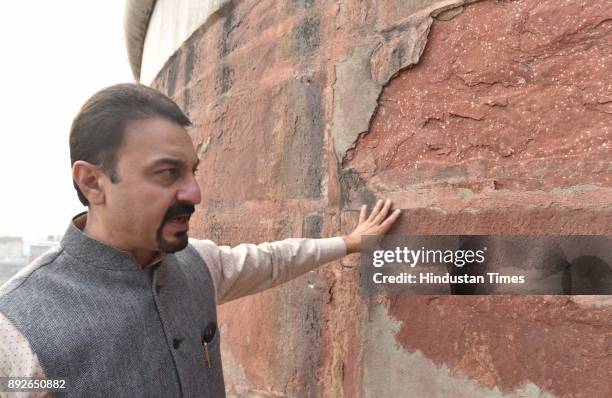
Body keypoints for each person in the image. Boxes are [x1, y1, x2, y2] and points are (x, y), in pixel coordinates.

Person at [0, 83, 400, 397]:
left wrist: (350, 243)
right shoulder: (17, 328)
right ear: (92, 182)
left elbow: (273, 261)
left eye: (192, 171)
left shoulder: (198, 266)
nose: (194, 194)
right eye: (167, 173)